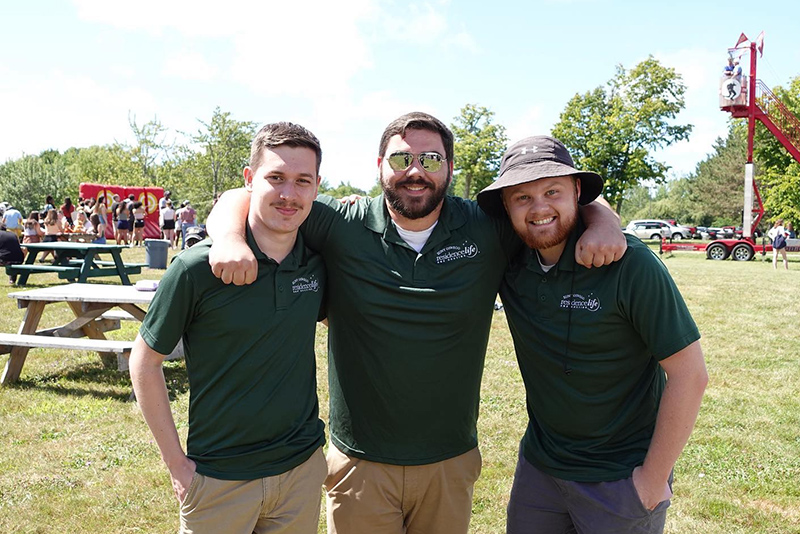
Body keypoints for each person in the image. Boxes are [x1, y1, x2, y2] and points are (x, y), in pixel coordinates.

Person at [206, 112, 626, 534]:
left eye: (430, 159)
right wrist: (228, 238)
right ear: (378, 166)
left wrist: (605, 221)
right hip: (360, 462)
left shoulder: (486, 227)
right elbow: (241, 194)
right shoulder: (340, 223)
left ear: (450, 167)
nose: (415, 171)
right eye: (401, 159)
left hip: (449, 459)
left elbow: (558, 197)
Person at [476, 135, 708, 534]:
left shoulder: (630, 265)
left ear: (577, 192)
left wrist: (651, 482)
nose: (540, 208)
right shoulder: (508, 259)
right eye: (522, 198)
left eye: (553, 191)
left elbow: (690, 374)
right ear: (506, 207)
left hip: (620, 477)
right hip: (540, 470)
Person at [129, 122, 327, 534]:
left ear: (316, 186)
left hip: (300, 470)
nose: (289, 193)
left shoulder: (319, 258)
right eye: (275, 178)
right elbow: (145, 363)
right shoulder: (195, 269)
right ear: (250, 179)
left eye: (302, 180)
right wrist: (176, 464)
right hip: (219, 477)